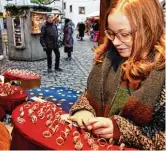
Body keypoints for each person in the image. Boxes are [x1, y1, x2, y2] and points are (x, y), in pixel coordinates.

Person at [68, 0, 165, 150]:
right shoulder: (109, 57)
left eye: (125, 34)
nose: (116, 42)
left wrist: (121, 130)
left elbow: (162, 139)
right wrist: (84, 111)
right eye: (111, 33)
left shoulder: (161, 73)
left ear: (149, 28)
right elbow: (89, 95)